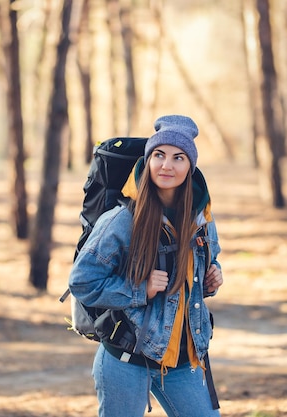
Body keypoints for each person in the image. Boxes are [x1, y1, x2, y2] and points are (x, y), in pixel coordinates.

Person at [69, 115, 224, 417]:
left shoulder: (201, 218)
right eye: (159, 155)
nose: (167, 165)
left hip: (182, 361)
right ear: (148, 160)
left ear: (190, 166)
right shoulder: (122, 220)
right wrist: (139, 289)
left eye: (178, 158)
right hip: (126, 361)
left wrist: (211, 277)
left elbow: (207, 261)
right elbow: (82, 281)